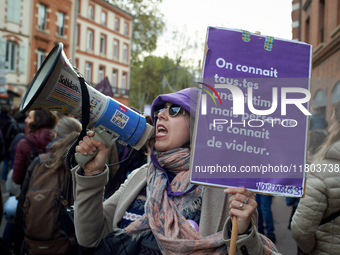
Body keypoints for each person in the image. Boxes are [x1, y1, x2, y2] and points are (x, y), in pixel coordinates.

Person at [72, 88, 280, 254]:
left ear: (198, 124)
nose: (161, 114)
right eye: (160, 111)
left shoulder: (224, 187)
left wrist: (244, 231)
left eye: (174, 110)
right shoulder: (141, 176)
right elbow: (90, 237)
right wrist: (91, 176)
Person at [291, 101, 340, 254]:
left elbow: (300, 230)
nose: (328, 128)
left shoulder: (321, 171)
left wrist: (313, 249)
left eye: (332, 123)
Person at [12, 110, 58, 185]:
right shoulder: (59, 141)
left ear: (38, 121)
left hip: (31, 190)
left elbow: (17, 178)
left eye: (29, 117)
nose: (25, 120)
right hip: (54, 190)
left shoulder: (24, 143)